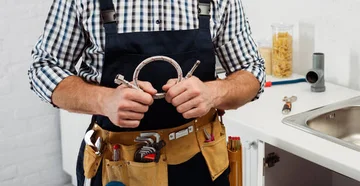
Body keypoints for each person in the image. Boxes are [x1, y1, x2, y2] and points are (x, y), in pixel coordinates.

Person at [27, 0, 265, 185]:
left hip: (201, 162)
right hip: (117, 166)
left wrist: (215, 92)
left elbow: (253, 70)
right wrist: (104, 100)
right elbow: (43, 68)